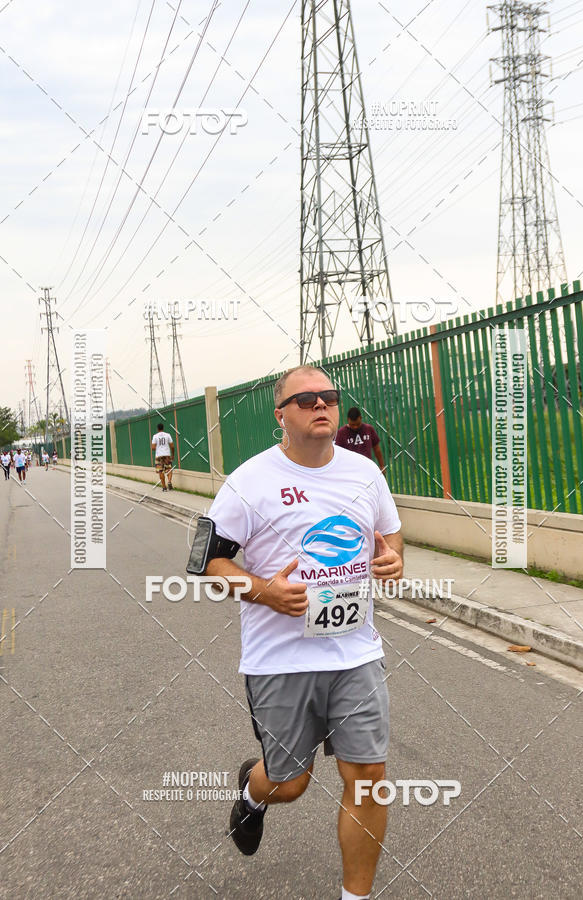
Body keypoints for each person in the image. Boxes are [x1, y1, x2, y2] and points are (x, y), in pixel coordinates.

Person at [207, 365, 403, 900]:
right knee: (290, 784)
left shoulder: (365, 473)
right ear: (282, 415)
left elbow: (391, 537)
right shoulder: (249, 481)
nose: (321, 405)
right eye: (306, 399)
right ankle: (253, 792)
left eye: (329, 397)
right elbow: (208, 563)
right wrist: (263, 591)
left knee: (366, 777)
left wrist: (391, 560)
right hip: (280, 660)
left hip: (355, 652)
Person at [335, 408, 386, 474]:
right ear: (348, 420)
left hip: (367, 468)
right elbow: (338, 454)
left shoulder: (369, 429)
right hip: (350, 471)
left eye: (358, 424)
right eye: (352, 425)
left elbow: (377, 449)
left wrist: (382, 466)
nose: (355, 427)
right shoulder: (341, 433)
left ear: (361, 418)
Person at [151, 422, 175, 492]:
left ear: (158, 429)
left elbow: (153, 448)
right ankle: (169, 481)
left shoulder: (155, 436)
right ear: (163, 428)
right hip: (167, 455)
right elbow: (172, 446)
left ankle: (164, 488)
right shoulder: (168, 435)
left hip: (159, 456)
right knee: (169, 469)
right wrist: (173, 455)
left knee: (161, 471)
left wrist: (158, 448)